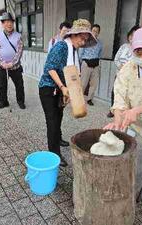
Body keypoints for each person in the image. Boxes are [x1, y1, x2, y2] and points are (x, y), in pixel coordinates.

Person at [39, 19, 97, 167]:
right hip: (49, 88)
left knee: (59, 117)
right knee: (52, 122)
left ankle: (57, 139)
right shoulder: (62, 46)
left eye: (85, 40)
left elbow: (70, 73)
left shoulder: (73, 50)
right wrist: (62, 87)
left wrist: (68, 91)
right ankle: (54, 154)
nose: (83, 42)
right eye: (81, 38)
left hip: (60, 90)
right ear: (74, 34)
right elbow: (50, 68)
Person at [107, 25, 140, 117]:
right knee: (115, 92)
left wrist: (127, 70)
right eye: (131, 35)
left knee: (128, 95)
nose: (131, 38)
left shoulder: (139, 50)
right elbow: (116, 59)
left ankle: (126, 112)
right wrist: (121, 67)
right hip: (119, 74)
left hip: (131, 78)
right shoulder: (124, 46)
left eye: (135, 36)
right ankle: (113, 110)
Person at [0, 12, 25, 110]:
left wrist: (12, 63)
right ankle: (3, 102)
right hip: (2, 66)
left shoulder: (18, 36)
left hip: (15, 67)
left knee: (19, 85)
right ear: (3, 24)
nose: (9, 24)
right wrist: (1, 62)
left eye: (11, 22)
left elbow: (19, 51)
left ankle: (20, 101)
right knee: (2, 86)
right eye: (6, 22)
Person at [79, 24, 103, 106]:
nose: (95, 32)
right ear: (91, 31)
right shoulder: (85, 41)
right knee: (83, 83)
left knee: (94, 83)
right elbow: (80, 54)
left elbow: (100, 54)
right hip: (86, 63)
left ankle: (89, 99)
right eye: (93, 30)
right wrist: (82, 63)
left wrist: (97, 61)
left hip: (95, 64)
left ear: (98, 33)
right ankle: (79, 99)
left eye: (97, 31)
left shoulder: (100, 43)